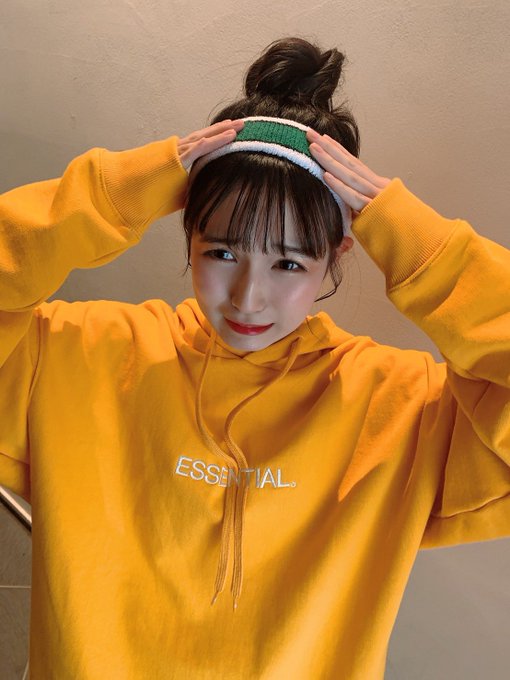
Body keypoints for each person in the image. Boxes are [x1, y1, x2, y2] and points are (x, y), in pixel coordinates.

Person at [0, 35, 509, 680]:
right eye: (221, 252)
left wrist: (423, 248)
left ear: (340, 251)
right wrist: (114, 195)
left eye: (288, 262)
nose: (248, 296)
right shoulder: (75, 354)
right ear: (187, 231)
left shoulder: (404, 407)